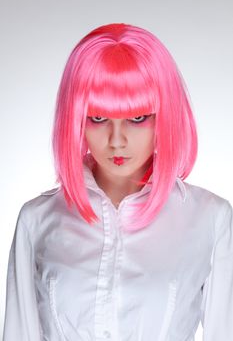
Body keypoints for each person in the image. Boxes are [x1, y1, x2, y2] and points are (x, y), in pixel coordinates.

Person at [2, 23, 233, 341]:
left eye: (137, 118)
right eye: (98, 118)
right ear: (76, 119)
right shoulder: (37, 220)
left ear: (163, 116)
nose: (117, 140)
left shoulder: (209, 218)